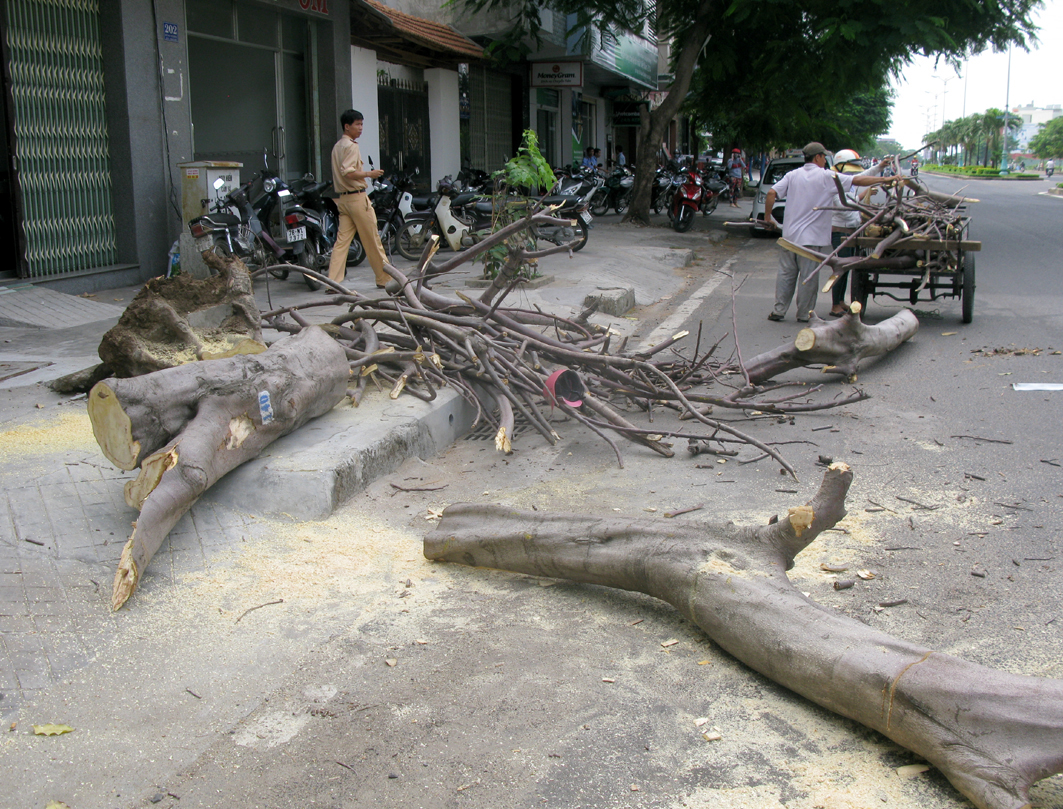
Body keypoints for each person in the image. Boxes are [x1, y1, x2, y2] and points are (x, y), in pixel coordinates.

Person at [764, 142, 894, 322]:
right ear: (817, 157)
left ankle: (778, 311)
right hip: (810, 241)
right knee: (807, 278)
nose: (825, 160)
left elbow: (771, 193)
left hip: (789, 237)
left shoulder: (792, 175)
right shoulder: (826, 176)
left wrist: (768, 218)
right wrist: (885, 179)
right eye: (824, 156)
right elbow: (857, 181)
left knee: (786, 275)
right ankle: (804, 314)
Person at [328, 109, 388, 290]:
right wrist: (370, 174)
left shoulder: (337, 146)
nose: (361, 128)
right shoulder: (351, 146)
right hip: (357, 199)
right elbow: (348, 172)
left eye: (361, 124)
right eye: (357, 124)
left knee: (341, 243)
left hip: (344, 201)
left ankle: (332, 282)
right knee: (372, 240)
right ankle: (385, 278)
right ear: (347, 127)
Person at [828, 150, 888, 316]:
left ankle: (840, 301)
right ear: (840, 167)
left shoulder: (846, 180)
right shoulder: (835, 183)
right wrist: (862, 206)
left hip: (851, 230)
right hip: (841, 232)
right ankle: (835, 306)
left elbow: (863, 175)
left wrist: (879, 167)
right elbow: (844, 207)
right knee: (840, 267)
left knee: (847, 267)